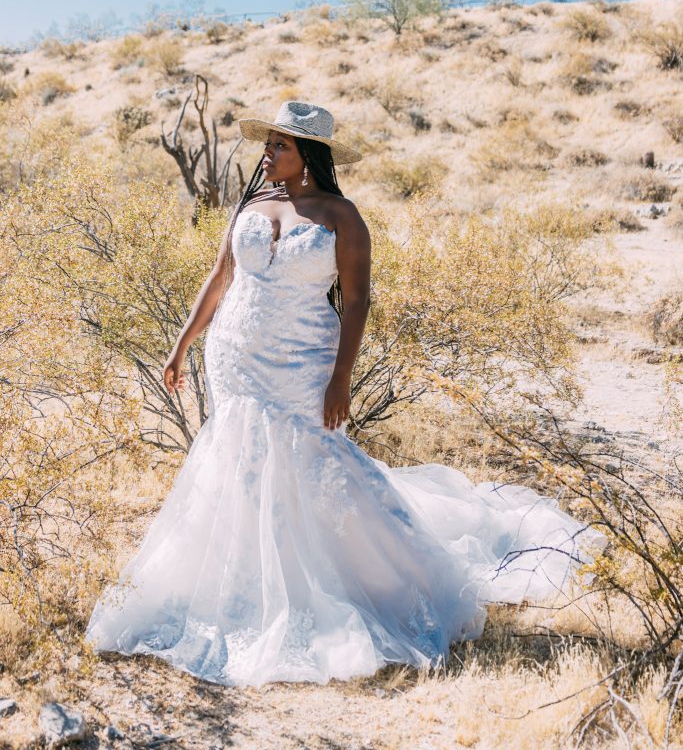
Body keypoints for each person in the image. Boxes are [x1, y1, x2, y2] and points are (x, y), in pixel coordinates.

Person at [85, 100, 608, 687]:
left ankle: (344, 578)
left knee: (313, 459)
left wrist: (341, 378)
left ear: (308, 154)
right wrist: (182, 344)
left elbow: (357, 301)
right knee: (238, 461)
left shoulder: (341, 216)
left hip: (304, 360)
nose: (268, 153)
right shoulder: (251, 207)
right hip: (235, 355)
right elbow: (221, 276)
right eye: (269, 143)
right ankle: (240, 583)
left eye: (281, 145)